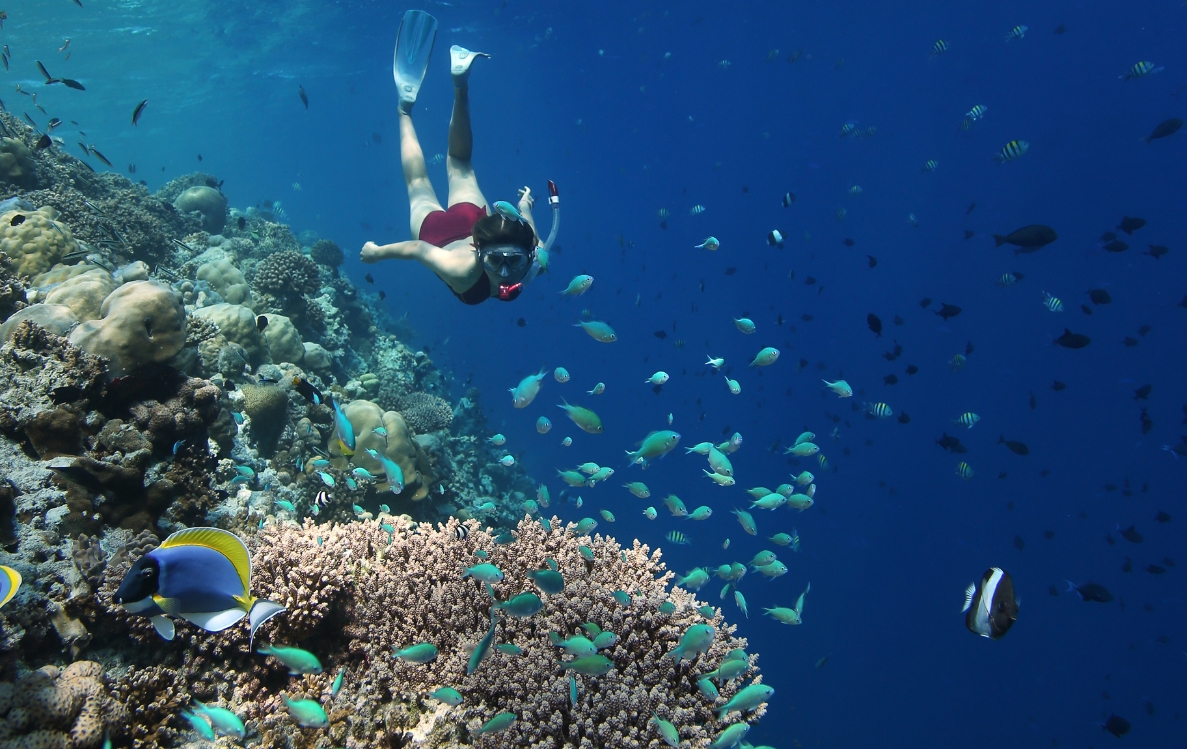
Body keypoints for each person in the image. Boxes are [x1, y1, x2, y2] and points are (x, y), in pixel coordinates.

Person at [361, 11, 544, 304]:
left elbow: (529, 232)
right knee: (418, 181)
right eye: (497, 262)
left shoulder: (535, 258)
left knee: (460, 163)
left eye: (514, 262)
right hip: (439, 234)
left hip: (472, 220)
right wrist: (376, 253)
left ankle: (461, 86)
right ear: (480, 254)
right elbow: (419, 250)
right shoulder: (466, 271)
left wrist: (524, 206)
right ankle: (404, 110)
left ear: (528, 257)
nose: (507, 272)